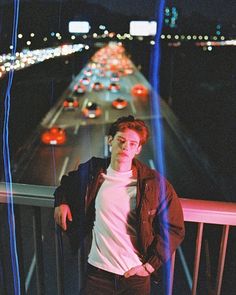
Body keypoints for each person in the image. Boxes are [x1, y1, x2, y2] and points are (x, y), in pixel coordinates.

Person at [54, 115, 185, 295]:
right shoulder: (93, 170)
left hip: (135, 277)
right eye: (121, 140)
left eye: (132, 143)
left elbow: (175, 228)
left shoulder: (154, 183)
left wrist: (148, 267)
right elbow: (67, 184)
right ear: (110, 140)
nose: (125, 147)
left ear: (138, 149)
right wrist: (61, 202)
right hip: (98, 272)